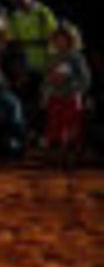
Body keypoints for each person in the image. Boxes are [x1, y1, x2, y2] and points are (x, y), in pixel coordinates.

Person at [4, 0, 57, 132]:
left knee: (45, 102)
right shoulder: (15, 17)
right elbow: (12, 41)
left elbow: (53, 37)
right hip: (25, 67)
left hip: (46, 65)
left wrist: (27, 43)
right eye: (15, 0)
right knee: (27, 101)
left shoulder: (43, 12)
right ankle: (31, 132)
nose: (18, 2)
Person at [42, 22, 91, 172]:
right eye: (57, 38)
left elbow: (85, 79)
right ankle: (57, 157)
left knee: (72, 127)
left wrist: (71, 84)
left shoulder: (77, 58)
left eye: (63, 38)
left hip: (71, 98)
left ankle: (72, 156)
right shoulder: (52, 58)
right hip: (55, 97)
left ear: (71, 39)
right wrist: (46, 93)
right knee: (54, 127)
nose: (59, 41)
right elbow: (47, 79)